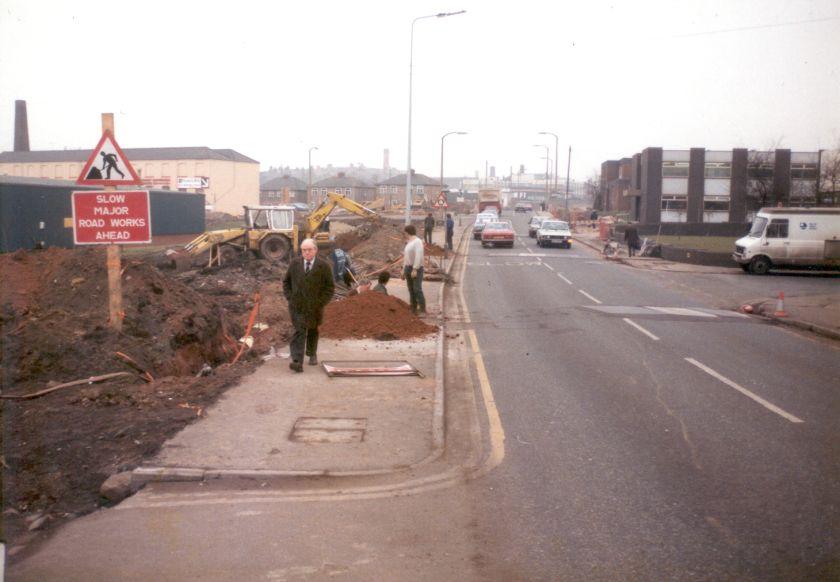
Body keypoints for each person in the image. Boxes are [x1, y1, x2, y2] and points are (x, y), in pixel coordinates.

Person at [282, 238, 334, 372]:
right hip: (297, 305)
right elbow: (286, 282)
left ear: (315, 250)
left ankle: (312, 353)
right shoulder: (294, 264)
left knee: (312, 329)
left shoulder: (324, 266)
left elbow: (330, 287)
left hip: (315, 306)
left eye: (309, 250)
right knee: (299, 331)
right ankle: (297, 361)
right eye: (304, 250)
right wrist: (290, 298)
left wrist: (321, 302)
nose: (306, 252)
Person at [402, 225, 425, 315]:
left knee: (417, 289)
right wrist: (403, 269)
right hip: (408, 268)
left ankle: (422, 309)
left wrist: (415, 269)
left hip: (416, 268)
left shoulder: (417, 242)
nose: (404, 234)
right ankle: (413, 308)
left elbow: (418, 256)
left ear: (407, 232)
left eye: (405, 233)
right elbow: (406, 257)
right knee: (411, 289)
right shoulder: (409, 242)